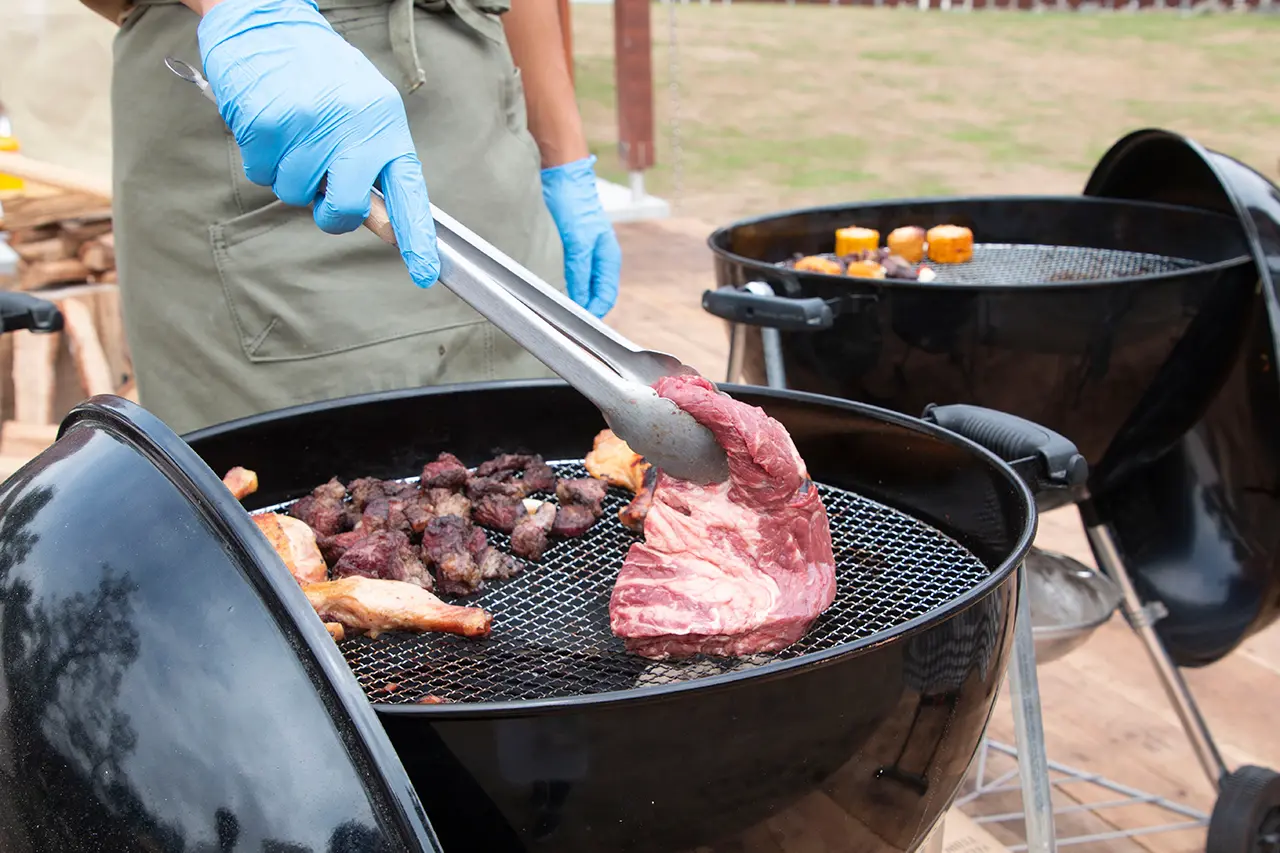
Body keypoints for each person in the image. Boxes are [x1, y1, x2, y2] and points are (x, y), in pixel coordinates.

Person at [78, 0, 623, 434]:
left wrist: (564, 155)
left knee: (527, 464)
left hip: (476, 99)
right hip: (262, 86)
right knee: (297, 516)